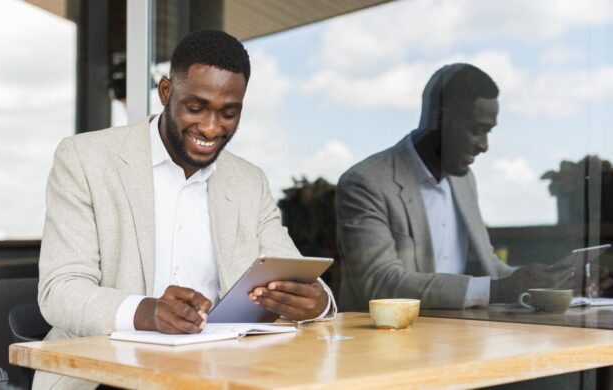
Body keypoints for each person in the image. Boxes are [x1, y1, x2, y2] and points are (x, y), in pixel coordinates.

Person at [35, 30, 335, 390]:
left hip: (223, 373)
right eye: (196, 107)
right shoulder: (85, 159)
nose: (211, 127)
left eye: (228, 113)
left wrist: (316, 303)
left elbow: (292, 271)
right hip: (105, 375)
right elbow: (60, 291)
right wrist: (147, 312)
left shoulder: (248, 181)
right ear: (165, 92)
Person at [336, 63, 577, 311]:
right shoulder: (366, 183)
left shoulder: (464, 180)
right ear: (441, 118)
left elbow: (490, 268)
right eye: (477, 130)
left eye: (489, 132)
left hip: (460, 332)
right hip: (393, 339)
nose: (485, 146)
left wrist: (556, 281)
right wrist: (500, 290)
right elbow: (379, 283)